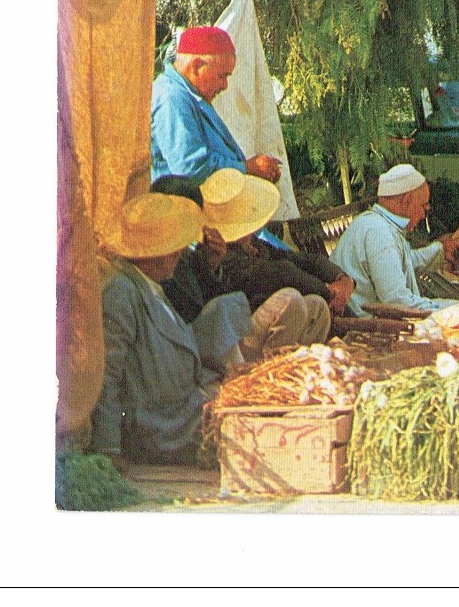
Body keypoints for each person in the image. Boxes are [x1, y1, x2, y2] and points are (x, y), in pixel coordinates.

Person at [92, 193, 251, 468]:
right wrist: (109, 447)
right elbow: (108, 374)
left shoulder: (151, 286)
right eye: (171, 246)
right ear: (150, 254)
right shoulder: (122, 290)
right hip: (161, 429)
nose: (179, 253)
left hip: (182, 411)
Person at [153, 171, 333, 362]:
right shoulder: (192, 256)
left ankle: (292, 369)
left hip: (225, 336)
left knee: (317, 305)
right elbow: (279, 273)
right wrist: (328, 291)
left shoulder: (243, 247)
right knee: (290, 300)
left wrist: (335, 279)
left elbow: (297, 260)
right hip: (215, 348)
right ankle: (269, 377)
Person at [150, 25, 283, 186]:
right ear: (197, 66)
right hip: (181, 208)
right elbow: (191, 169)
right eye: (222, 76)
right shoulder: (171, 97)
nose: (225, 85)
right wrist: (247, 168)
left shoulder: (189, 93)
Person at [329, 164, 459, 316]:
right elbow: (396, 301)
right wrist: (455, 307)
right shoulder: (379, 232)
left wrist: (441, 250)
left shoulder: (378, 223)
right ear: (406, 201)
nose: (423, 215)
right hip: (361, 324)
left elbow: (400, 261)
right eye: (424, 207)